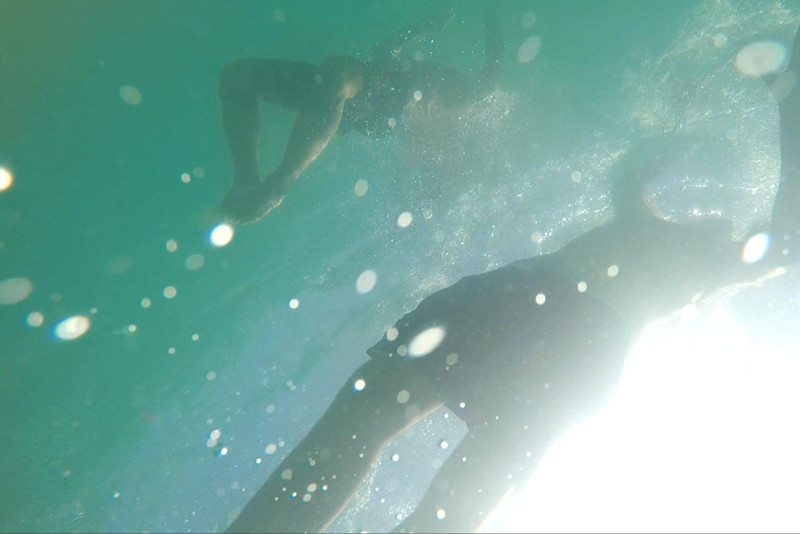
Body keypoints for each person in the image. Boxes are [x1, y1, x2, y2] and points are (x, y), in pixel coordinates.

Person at [225, 33, 800, 534]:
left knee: (411, 459)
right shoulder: (648, 222)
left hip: (544, 320)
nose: (725, 220)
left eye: (733, 227)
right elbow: (634, 176)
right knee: (407, 454)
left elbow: (787, 242)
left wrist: (786, 94)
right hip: (545, 324)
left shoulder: (711, 262)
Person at [216, 4, 504, 224]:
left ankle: (279, 183)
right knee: (236, 77)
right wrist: (423, 26)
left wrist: (493, 20)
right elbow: (382, 52)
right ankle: (245, 180)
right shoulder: (422, 75)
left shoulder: (459, 93)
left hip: (378, 105)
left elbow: (489, 80)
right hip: (360, 88)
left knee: (337, 75)